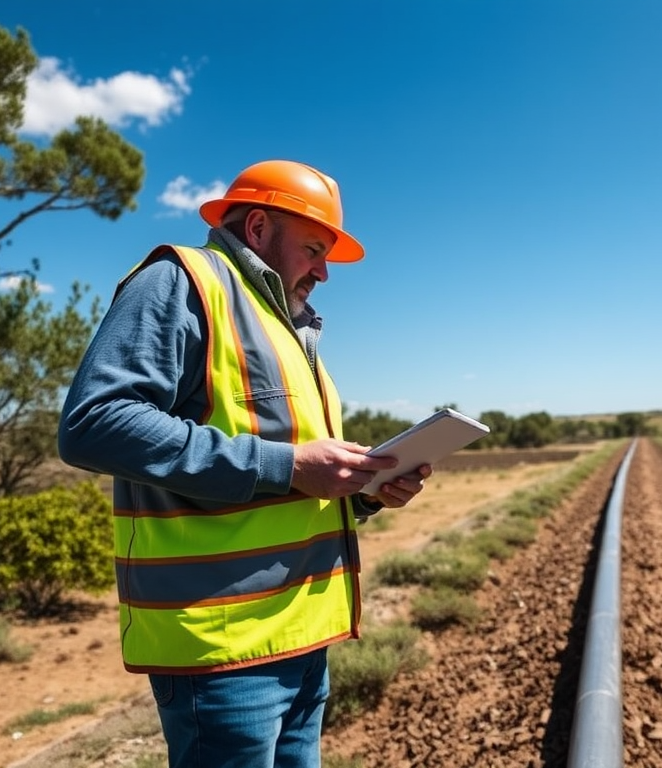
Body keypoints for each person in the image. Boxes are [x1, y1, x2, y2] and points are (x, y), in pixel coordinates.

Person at [58, 159, 430, 768]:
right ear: (257, 228)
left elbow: (289, 471)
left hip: (304, 638)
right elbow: (94, 423)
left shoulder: (289, 329)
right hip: (224, 650)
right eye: (314, 248)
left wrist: (364, 491)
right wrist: (287, 466)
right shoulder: (181, 282)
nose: (324, 272)